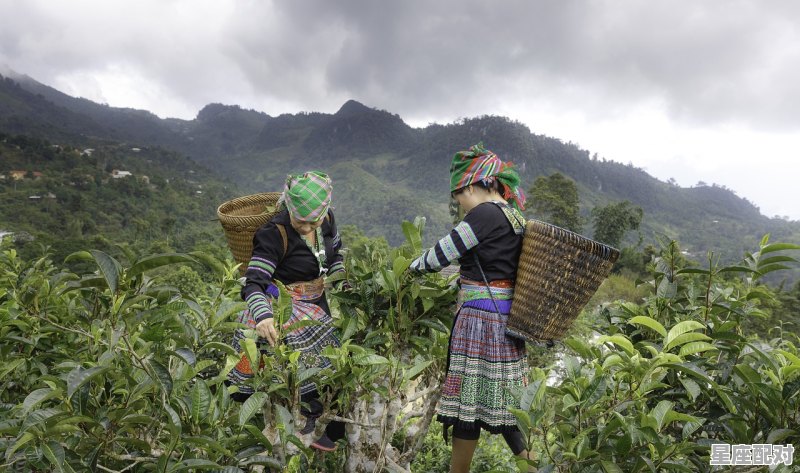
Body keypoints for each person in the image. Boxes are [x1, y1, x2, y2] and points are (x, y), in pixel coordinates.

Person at [409, 143, 532, 472]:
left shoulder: (485, 214)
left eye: (459, 196)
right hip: (506, 321)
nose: (460, 204)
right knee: (505, 409)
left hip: (480, 322)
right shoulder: (513, 215)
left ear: (474, 187)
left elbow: (440, 254)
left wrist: (411, 268)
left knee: (467, 406)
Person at [227, 171, 346, 452]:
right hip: (283, 308)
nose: (307, 227)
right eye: (300, 220)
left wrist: (343, 282)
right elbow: (254, 282)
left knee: (332, 367)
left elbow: (336, 254)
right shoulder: (273, 234)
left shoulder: (327, 220)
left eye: (313, 221)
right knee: (300, 373)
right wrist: (263, 316)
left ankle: (328, 428)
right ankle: (299, 426)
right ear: (289, 209)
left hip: (317, 303)